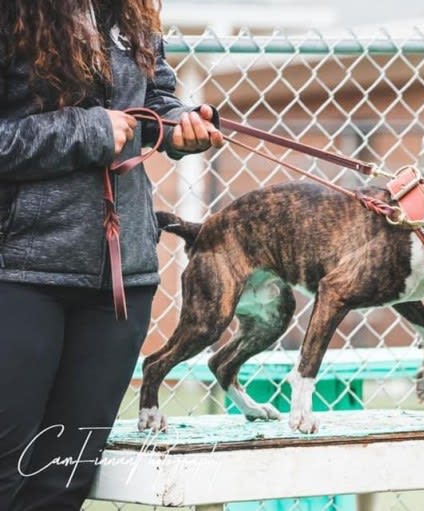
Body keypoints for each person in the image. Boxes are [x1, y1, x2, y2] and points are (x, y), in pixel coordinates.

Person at [0, 1, 224, 509]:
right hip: (17, 272)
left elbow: (154, 99)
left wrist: (178, 125)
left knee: (62, 484)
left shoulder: (132, 12)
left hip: (120, 281)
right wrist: (84, 131)